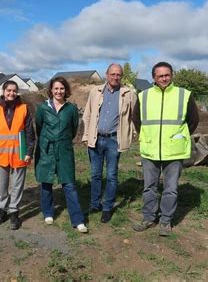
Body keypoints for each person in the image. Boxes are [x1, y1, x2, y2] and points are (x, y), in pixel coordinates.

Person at [132, 62, 199, 236]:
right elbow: (137, 120)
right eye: (160, 75)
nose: (164, 78)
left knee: (170, 188)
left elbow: (193, 120)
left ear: (171, 75)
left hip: (174, 151)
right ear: (154, 77)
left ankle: (165, 221)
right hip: (150, 149)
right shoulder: (143, 96)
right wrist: (148, 136)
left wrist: (180, 135)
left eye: (167, 75)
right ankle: (148, 218)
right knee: (149, 187)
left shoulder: (183, 95)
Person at [82, 63, 137, 223]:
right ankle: (94, 204)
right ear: (106, 75)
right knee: (95, 174)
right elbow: (87, 115)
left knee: (112, 175)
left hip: (114, 139)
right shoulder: (95, 92)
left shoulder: (128, 94)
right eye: (112, 74)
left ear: (121, 76)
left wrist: (131, 135)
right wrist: (86, 136)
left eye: (118, 74)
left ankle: (107, 207)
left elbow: (134, 117)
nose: (115, 77)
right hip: (96, 138)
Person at [35, 76, 88, 233]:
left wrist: (62, 140)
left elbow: (73, 129)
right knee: (46, 183)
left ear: (66, 90)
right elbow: (39, 127)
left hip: (64, 150)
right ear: (51, 90)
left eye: (62, 88)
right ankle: (48, 212)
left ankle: (78, 220)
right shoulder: (42, 108)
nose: (59, 91)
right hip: (46, 149)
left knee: (69, 184)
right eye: (56, 88)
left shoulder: (71, 109)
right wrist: (47, 140)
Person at [0, 81, 35, 230]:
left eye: (14, 91)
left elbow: (30, 134)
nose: (11, 93)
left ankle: (14, 212)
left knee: (17, 185)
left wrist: (29, 152)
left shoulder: (24, 109)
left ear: (17, 92)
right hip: (1, 154)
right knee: (2, 186)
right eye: (9, 90)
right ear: (4, 91)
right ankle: (2, 210)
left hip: (20, 153)